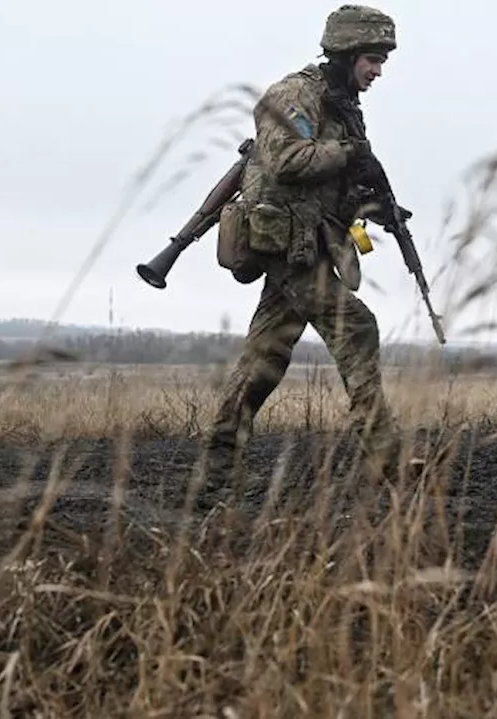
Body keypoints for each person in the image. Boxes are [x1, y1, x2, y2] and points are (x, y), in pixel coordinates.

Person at [200, 4, 417, 489]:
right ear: (346, 52)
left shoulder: (341, 105)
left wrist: (375, 207)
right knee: (357, 327)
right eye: (372, 59)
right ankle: (384, 457)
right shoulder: (297, 93)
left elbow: (332, 185)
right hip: (285, 244)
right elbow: (285, 160)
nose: (378, 71)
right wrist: (348, 155)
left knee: (266, 356)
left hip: (308, 243)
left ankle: (217, 468)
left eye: (382, 60)